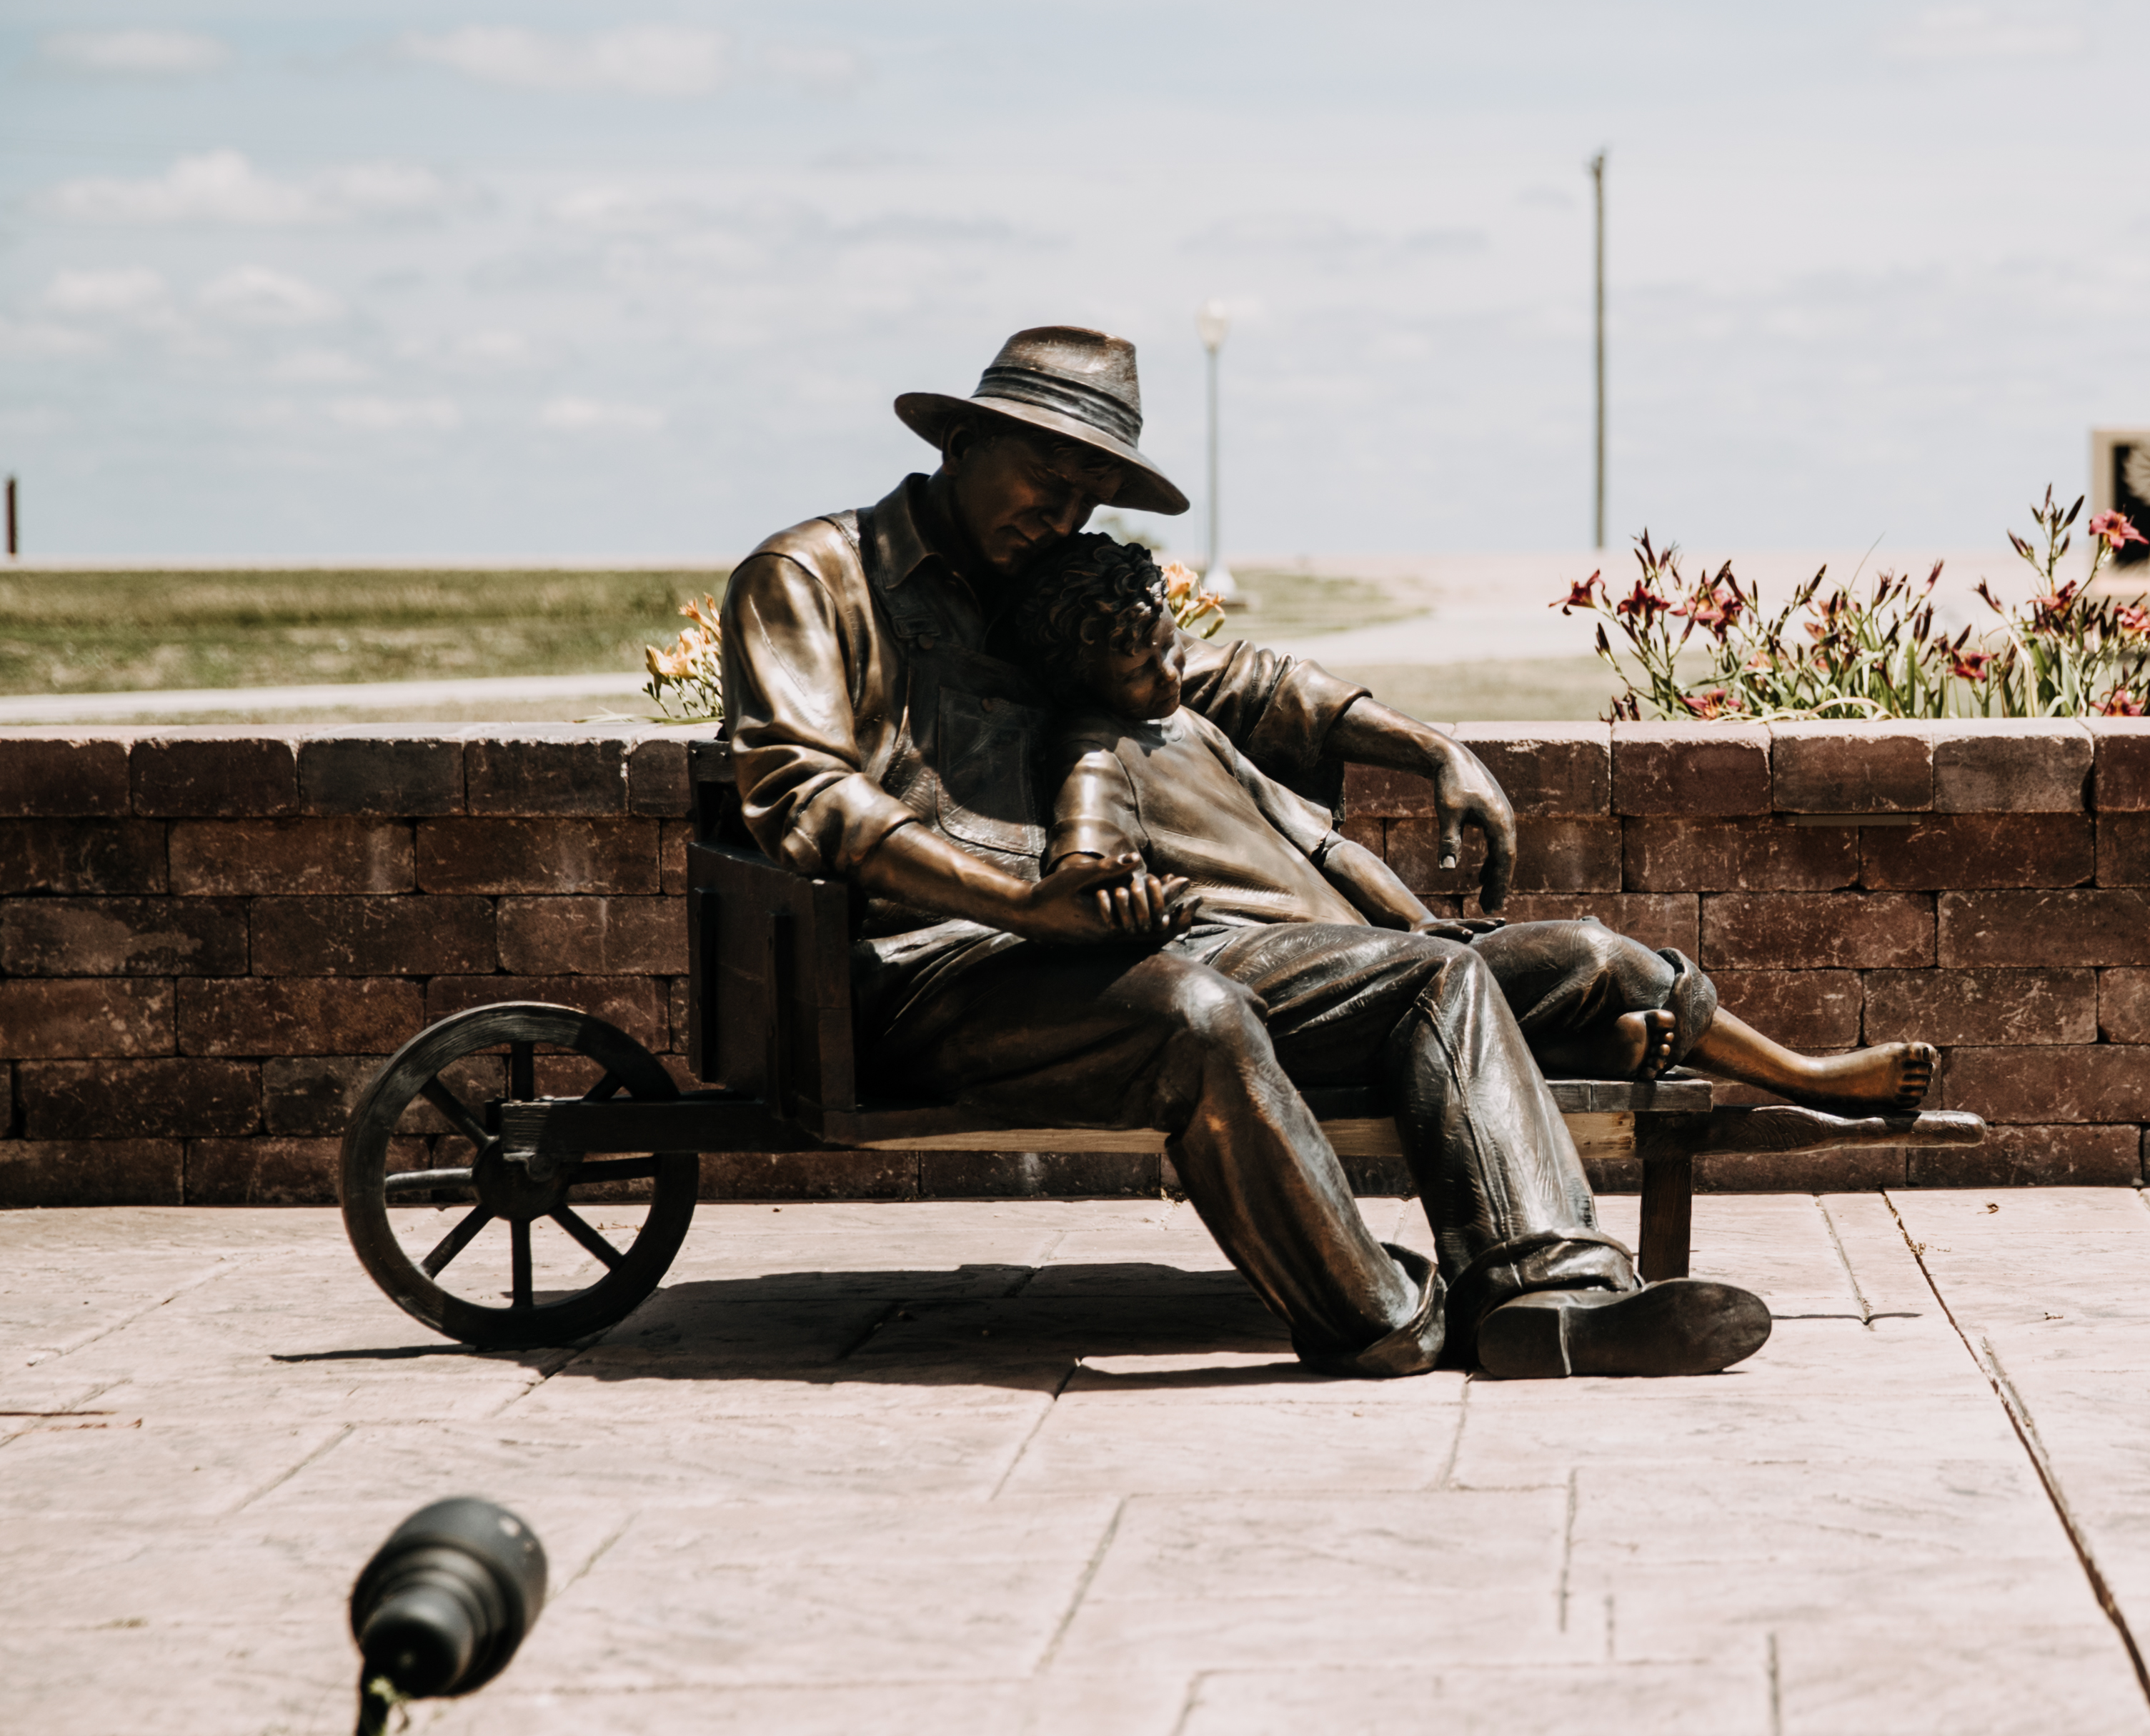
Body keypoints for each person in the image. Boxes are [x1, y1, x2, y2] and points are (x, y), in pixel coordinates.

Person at [719, 324, 1775, 1380]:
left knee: (1436, 973)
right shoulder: (812, 578)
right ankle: (1381, 1317)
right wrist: (1023, 902)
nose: (1060, 517)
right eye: (1045, 478)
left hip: (1105, 942)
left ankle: (1549, 1296)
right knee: (1195, 1014)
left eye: (1087, 500)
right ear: (961, 440)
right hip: (932, 974)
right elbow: (805, 796)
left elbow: (1222, 677)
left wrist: (1430, 747)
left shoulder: (1039, 578)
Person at [997, 529, 1942, 1109]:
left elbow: (1325, 844)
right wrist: (1100, 885)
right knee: (1596, 954)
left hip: (1384, 962)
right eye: (1152, 657)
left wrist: (1418, 927)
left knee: (1518, 969)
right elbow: (1086, 850)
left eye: (1174, 642)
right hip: (1314, 994)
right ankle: (1805, 1078)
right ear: (1091, 663)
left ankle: (1575, 1047)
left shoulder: (1184, 722)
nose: (1178, 663)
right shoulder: (1092, 754)